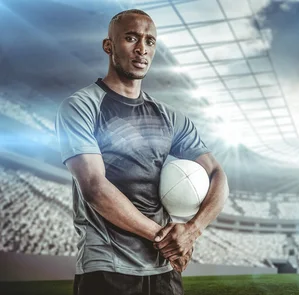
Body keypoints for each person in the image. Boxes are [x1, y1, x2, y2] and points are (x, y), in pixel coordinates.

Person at [55, 9, 229, 295]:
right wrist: (166, 239)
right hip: (107, 267)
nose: (141, 49)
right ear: (109, 46)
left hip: (164, 269)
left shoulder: (170, 117)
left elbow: (216, 173)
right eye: (131, 38)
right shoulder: (80, 107)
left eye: (150, 41)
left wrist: (193, 230)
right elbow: (95, 187)